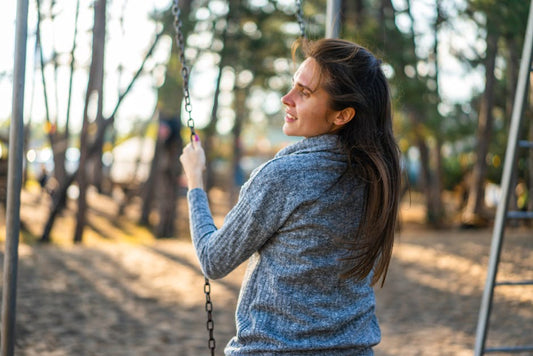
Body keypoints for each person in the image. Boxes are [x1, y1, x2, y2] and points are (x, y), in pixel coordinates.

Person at [180, 38, 401, 355]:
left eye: (305, 92)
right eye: (293, 86)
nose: (287, 99)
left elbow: (214, 260)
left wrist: (194, 181)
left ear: (342, 115)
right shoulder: (378, 177)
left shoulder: (283, 175)